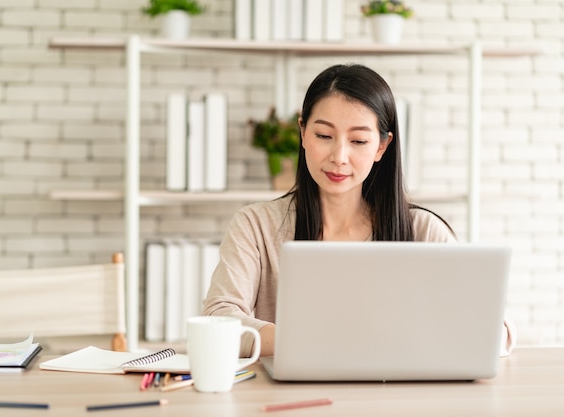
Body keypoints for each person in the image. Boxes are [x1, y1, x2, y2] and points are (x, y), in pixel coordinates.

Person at [202, 63, 515, 357]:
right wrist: (327, 342)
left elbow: (496, 332)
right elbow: (219, 317)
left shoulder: (422, 230)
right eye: (324, 136)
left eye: (359, 141)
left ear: (381, 146)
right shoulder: (256, 226)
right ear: (302, 132)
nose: (339, 156)